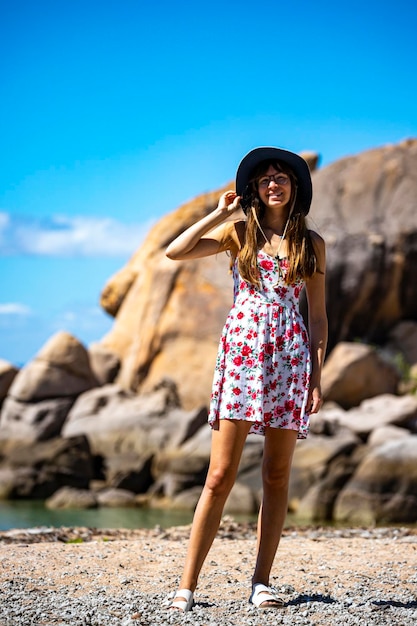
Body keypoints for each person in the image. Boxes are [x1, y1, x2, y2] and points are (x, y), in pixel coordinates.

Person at [165, 146, 328, 611]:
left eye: (282, 178)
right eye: (265, 180)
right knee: (219, 475)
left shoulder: (311, 244)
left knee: (276, 475)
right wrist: (216, 213)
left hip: (290, 361)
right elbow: (176, 252)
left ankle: (261, 583)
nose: (274, 184)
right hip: (241, 357)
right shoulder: (239, 234)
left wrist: (316, 377)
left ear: (296, 187)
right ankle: (187, 586)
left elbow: (318, 318)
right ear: (254, 190)